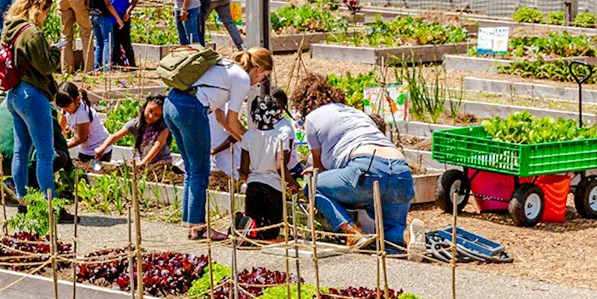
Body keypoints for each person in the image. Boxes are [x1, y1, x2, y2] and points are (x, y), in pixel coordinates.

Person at [295, 73, 413, 253]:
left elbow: (320, 169)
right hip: (401, 171)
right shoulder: (356, 113)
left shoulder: (312, 118)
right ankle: (407, 236)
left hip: (366, 167)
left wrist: (314, 177)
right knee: (387, 232)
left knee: (312, 187)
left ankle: (351, 232)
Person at [164, 47, 273, 241]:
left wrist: (247, 143)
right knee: (200, 170)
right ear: (257, 68)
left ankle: (192, 224)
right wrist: (255, 145)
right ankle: (199, 227)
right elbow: (232, 121)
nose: (260, 82)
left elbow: (221, 119)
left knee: (192, 169)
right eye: (264, 77)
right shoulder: (242, 78)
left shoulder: (225, 67)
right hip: (191, 109)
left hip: (171, 103)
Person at [1, 0, 68, 214]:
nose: (46, 16)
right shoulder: (33, 33)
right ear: (39, 8)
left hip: (14, 94)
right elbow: (47, 65)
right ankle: (50, 207)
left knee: (21, 151)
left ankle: (23, 202)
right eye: (46, 11)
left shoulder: (11, 27)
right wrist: (56, 51)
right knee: (45, 154)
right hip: (33, 95)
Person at [0, 103, 75, 204]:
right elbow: (58, 140)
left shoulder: (8, 100)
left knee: (8, 144)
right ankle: (20, 185)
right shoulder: (42, 103)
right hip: (6, 161)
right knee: (59, 156)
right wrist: (71, 172)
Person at [237, 94, 295, 241]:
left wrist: (243, 175)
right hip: (273, 188)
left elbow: (244, 169)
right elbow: (280, 166)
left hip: (254, 186)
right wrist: (293, 183)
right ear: (275, 113)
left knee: (254, 226)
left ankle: (246, 234)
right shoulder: (281, 137)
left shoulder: (248, 136)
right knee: (271, 230)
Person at [93, 94, 175, 169]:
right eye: (150, 111)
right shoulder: (136, 124)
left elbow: (157, 146)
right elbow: (115, 136)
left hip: (162, 164)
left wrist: (142, 163)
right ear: (145, 107)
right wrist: (102, 147)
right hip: (147, 164)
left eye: (156, 115)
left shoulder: (163, 127)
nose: (151, 116)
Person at [55, 81, 111, 162]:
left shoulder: (82, 113)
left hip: (99, 149)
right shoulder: (66, 109)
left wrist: (63, 146)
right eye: (62, 107)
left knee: (93, 171)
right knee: (81, 171)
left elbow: (82, 138)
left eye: (66, 106)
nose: (65, 109)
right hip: (85, 148)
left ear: (77, 100)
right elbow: (61, 128)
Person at [105, 0, 138, 68]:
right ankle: (115, 64)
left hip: (123, 19)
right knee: (115, 44)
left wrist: (128, 12)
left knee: (126, 43)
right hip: (112, 20)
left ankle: (132, 65)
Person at [87, 0, 116, 71]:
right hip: (103, 16)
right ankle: (107, 68)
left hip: (93, 15)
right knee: (107, 42)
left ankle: (96, 68)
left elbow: (86, 1)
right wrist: (118, 19)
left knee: (98, 42)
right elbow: (108, 4)